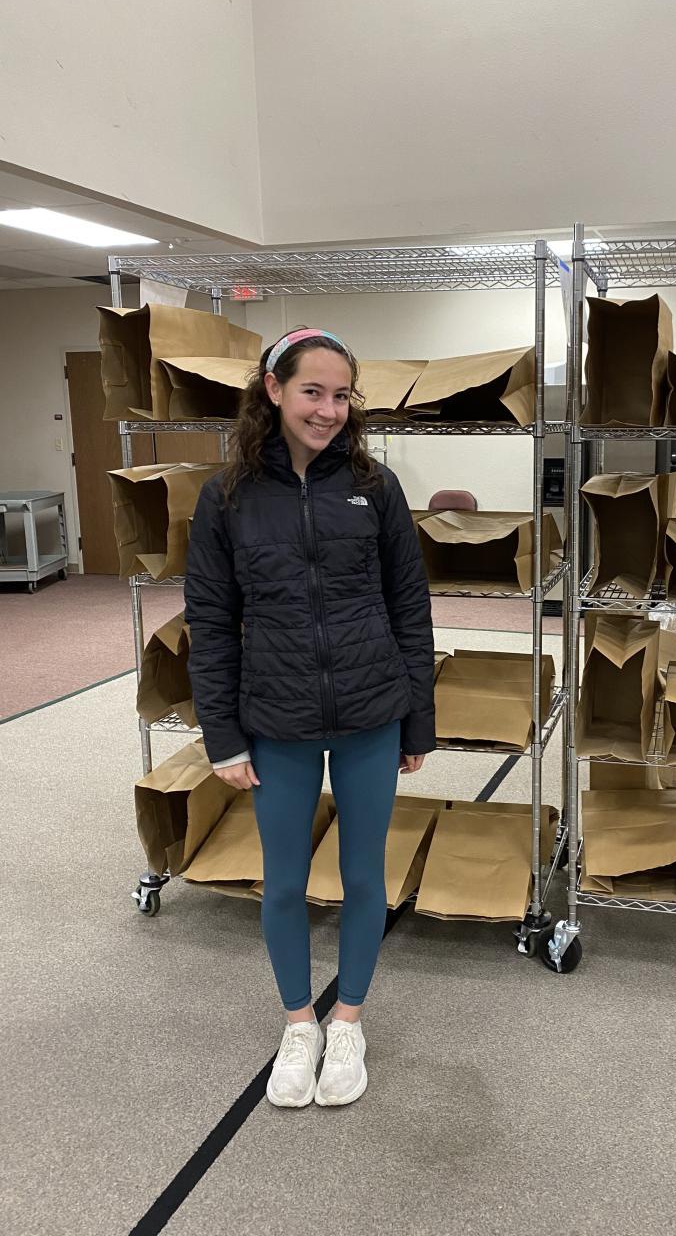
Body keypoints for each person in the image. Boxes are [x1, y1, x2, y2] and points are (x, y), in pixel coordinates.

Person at [185, 327, 435, 1110]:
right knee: (285, 881)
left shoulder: (376, 487)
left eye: (341, 395)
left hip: (370, 710)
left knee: (363, 876)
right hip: (277, 717)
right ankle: (300, 1025)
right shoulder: (226, 496)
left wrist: (417, 721)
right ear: (273, 390)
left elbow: (410, 608)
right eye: (311, 392)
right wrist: (222, 735)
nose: (328, 410)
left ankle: (348, 1023)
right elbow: (211, 622)